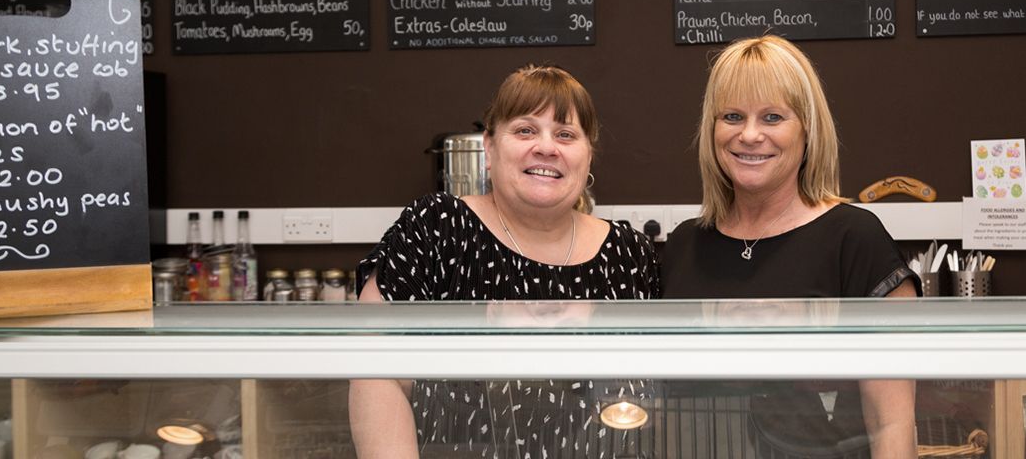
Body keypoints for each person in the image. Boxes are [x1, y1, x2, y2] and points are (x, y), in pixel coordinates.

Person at [349, 65, 659, 459]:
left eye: (566, 134)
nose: (547, 147)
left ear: (588, 154)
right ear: (490, 147)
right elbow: (374, 370)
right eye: (525, 130)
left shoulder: (629, 254)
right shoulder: (437, 228)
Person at [662, 35, 920, 458]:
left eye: (772, 117)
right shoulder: (684, 245)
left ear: (807, 130)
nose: (749, 135)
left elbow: (891, 423)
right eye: (732, 116)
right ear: (712, 130)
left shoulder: (855, 239)